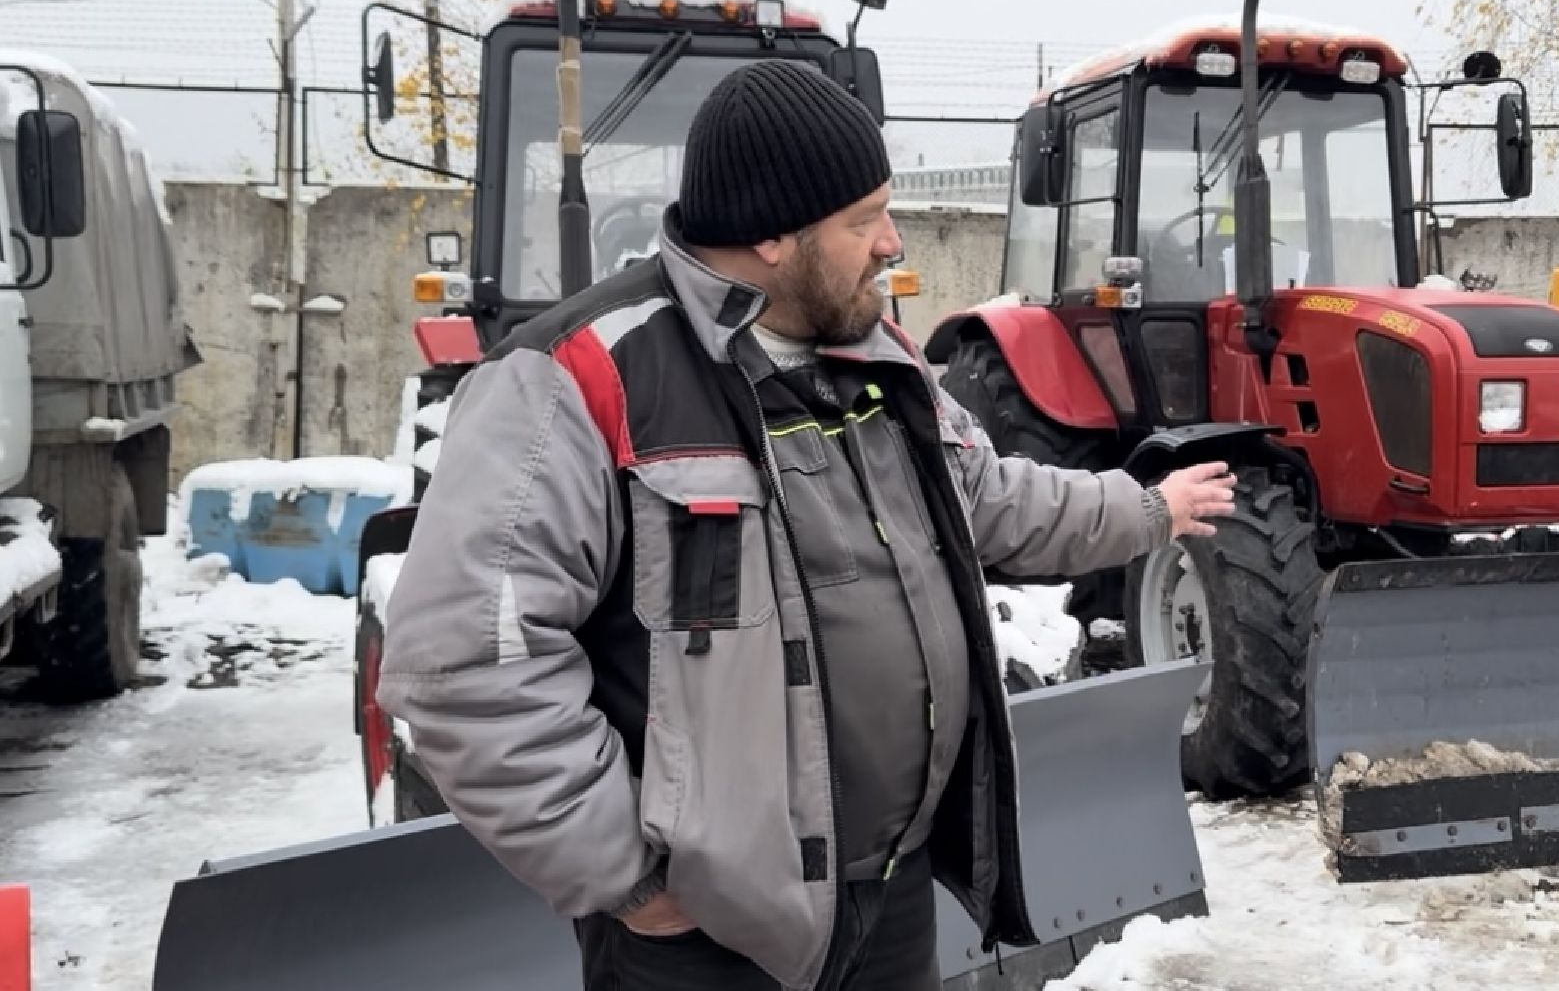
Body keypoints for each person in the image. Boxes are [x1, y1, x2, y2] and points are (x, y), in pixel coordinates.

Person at [375, 60, 1238, 991]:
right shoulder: (573, 381)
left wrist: (1147, 507)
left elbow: (986, 499)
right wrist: (628, 880)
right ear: (774, 238)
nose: (891, 243)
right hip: (708, 938)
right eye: (864, 221)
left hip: (891, 899)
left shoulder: (877, 357)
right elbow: (466, 663)